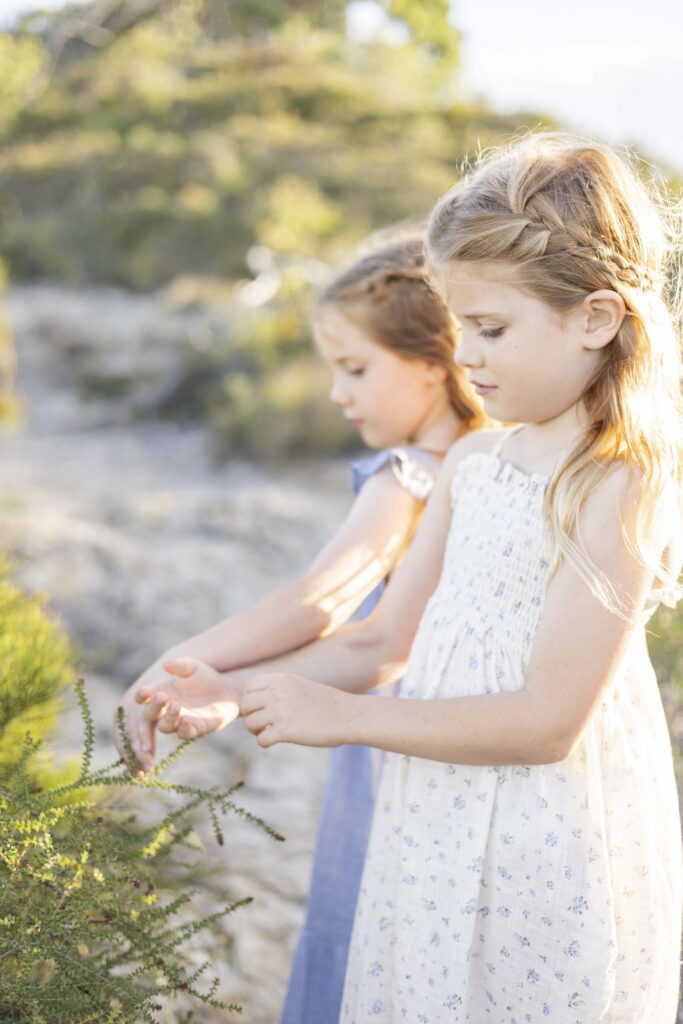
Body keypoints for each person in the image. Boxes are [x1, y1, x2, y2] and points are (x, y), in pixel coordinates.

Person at [137, 133, 683, 1022]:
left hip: (544, 837)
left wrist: (348, 720)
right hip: (431, 813)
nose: (463, 355)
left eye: (492, 328)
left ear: (595, 317)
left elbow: (548, 721)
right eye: (458, 323)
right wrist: (231, 691)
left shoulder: (617, 481)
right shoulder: (471, 462)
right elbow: (379, 639)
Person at [117, 234, 486, 1023]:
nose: (334, 394)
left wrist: (179, 661)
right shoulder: (500, 457)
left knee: (367, 935)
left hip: (398, 739)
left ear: (432, 361)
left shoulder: (410, 472)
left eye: (354, 368)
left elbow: (326, 595)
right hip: (470, 731)